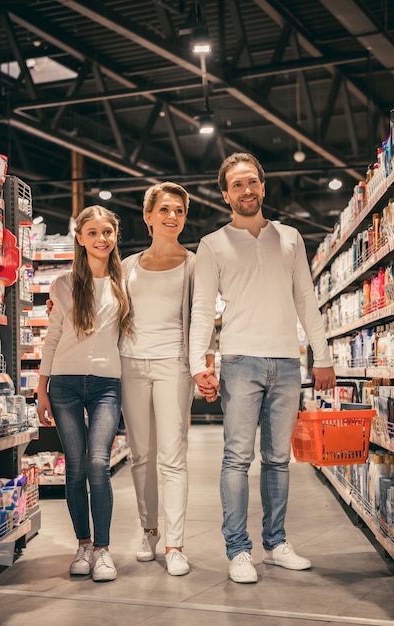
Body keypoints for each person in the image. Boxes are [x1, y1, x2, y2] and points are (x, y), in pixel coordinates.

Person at [189, 153, 336, 584]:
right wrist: (199, 364)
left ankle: (275, 543)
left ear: (263, 186)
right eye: (237, 185)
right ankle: (238, 551)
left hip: (287, 362)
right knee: (237, 458)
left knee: (277, 459)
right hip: (238, 362)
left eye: (252, 182)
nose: (246, 190)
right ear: (225, 193)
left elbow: (307, 300)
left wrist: (322, 357)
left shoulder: (289, 237)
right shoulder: (213, 244)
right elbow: (201, 312)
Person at [120, 181, 217, 576]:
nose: (172, 216)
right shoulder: (127, 266)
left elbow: (205, 321)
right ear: (148, 216)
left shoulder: (196, 264)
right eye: (164, 210)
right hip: (130, 364)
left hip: (173, 366)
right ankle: (149, 530)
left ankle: (176, 543)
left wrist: (205, 368)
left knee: (173, 457)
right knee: (141, 455)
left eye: (179, 210)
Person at [37, 205, 132, 583]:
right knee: (74, 468)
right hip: (65, 383)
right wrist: (41, 389)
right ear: (80, 238)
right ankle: (83, 545)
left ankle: (103, 550)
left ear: (115, 236)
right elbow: (53, 337)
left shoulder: (125, 282)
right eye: (92, 233)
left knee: (97, 463)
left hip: (108, 384)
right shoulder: (61, 284)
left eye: (107, 232)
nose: (101, 239)